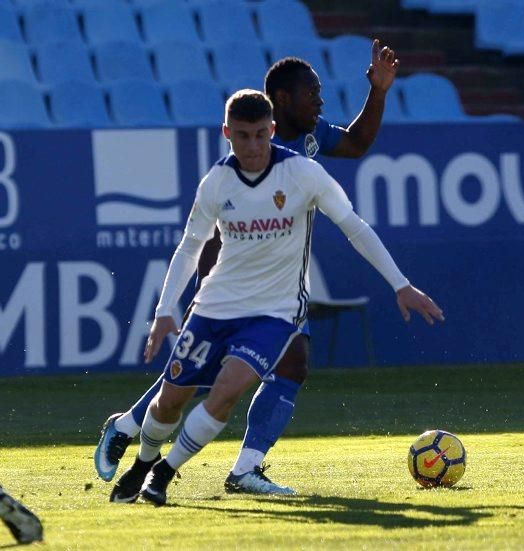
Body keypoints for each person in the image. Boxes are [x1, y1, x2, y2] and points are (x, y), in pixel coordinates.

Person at [95, 39, 400, 495]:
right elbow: (209, 235)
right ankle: (132, 426)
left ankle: (239, 467)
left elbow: (355, 143)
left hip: (276, 287)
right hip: (230, 278)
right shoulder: (252, 149)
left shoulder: (308, 141)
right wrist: (204, 293)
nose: (320, 100)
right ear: (282, 101)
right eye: (311, 92)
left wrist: (378, 91)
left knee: (290, 362)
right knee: (200, 376)